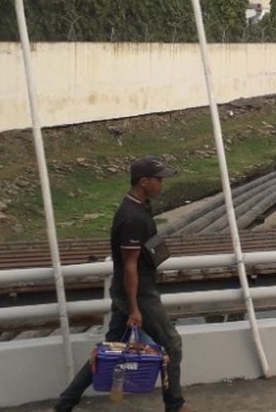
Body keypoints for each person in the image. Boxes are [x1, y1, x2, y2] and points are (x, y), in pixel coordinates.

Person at [55, 156, 191, 412]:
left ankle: (64, 405)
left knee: (109, 348)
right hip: (138, 293)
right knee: (172, 344)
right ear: (143, 182)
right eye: (158, 179)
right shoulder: (132, 217)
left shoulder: (139, 208)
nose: (162, 183)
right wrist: (135, 309)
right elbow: (129, 265)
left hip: (128, 291)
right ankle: (175, 405)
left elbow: (144, 249)